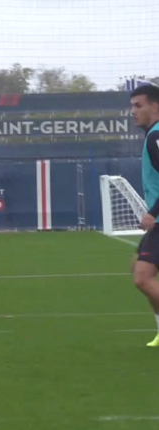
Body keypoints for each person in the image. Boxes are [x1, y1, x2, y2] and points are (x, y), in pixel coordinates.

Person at [129, 83, 159, 347]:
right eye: (132, 106)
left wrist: (152, 213)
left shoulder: (156, 137)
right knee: (137, 267)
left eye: (138, 105)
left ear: (155, 106)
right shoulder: (153, 135)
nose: (133, 111)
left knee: (142, 277)